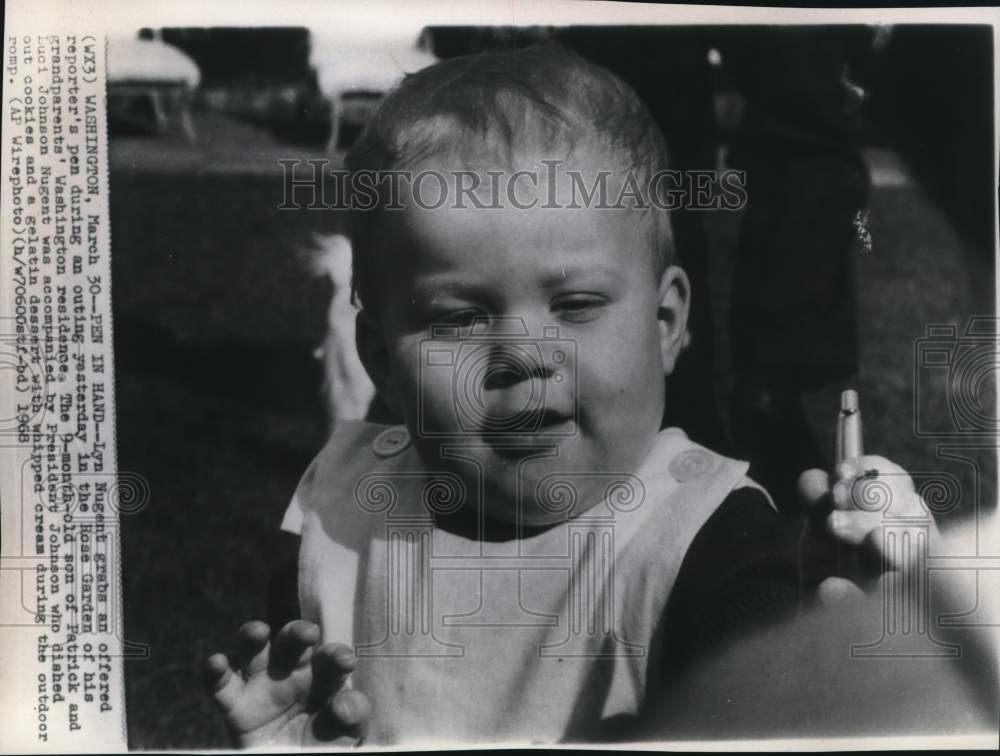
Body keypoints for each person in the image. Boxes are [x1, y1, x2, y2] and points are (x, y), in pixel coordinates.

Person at [202, 47, 952, 747]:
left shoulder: (708, 545)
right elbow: (313, 698)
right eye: (460, 316)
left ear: (665, 324)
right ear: (381, 363)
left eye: (576, 304)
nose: (525, 355)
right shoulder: (342, 511)